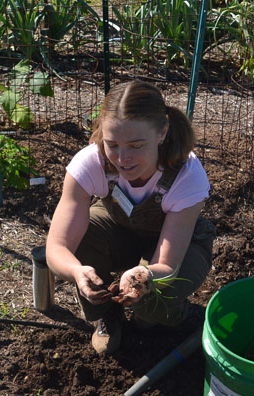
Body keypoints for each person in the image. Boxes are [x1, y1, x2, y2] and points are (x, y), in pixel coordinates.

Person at [46, 80, 215, 354]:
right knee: (83, 241)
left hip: (177, 244)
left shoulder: (187, 174)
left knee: (153, 305)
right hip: (119, 229)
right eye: (112, 144)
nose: (122, 158)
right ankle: (106, 316)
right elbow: (57, 247)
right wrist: (77, 272)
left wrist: (144, 274)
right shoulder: (90, 163)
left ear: (162, 133)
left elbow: (167, 265)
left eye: (136, 146)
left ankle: (165, 315)